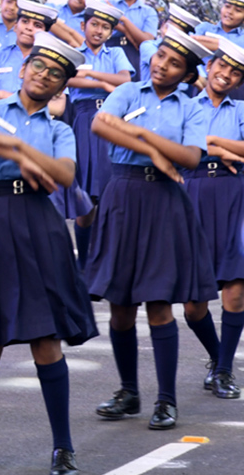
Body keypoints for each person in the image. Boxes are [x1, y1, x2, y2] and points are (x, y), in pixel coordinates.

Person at [0, 32, 98, 475]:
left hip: (39, 225)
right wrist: (26, 158)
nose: (43, 75)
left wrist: (15, 150)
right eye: (38, 66)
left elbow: (64, 174)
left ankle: (63, 446)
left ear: (62, 87)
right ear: (23, 69)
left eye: (55, 73)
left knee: (45, 338)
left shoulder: (59, 129)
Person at [87, 27, 217, 431]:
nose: (162, 65)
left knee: (159, 304)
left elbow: (190, 157)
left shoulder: (192, 107)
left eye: (175, 64)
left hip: (164, 200)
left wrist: (140, 133)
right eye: (161, 56)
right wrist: (153, 151)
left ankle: (166, 400)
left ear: (188, 75)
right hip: (123, 195)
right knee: (121, 305)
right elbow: (100, 125)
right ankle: (129, 392)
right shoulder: (128, 91)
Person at [182, 38, 244, 399]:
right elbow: (178, 145)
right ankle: (218, 357)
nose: (226, 74)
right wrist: (221, 147)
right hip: (191, 195)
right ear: (209, 67)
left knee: (236, 290)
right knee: (193, 305)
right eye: (222, 66)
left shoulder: (241, 110)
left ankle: (222, 371)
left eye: (235, 72)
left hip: (235, 195)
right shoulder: (185, 105)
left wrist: (212, 144)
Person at [66, 1, 133, 269]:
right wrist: (105, 83)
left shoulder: (116, 53)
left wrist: (93, 74)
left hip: (111, 121)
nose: (99, 31)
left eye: (105, 27)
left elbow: (125, 80)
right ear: (83, 25)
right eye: (94, 24)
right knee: (86, 200)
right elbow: (68, 78)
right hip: (84, 120)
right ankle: (83, 265)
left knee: (110, 192)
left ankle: (108, 264)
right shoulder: (73, 53)